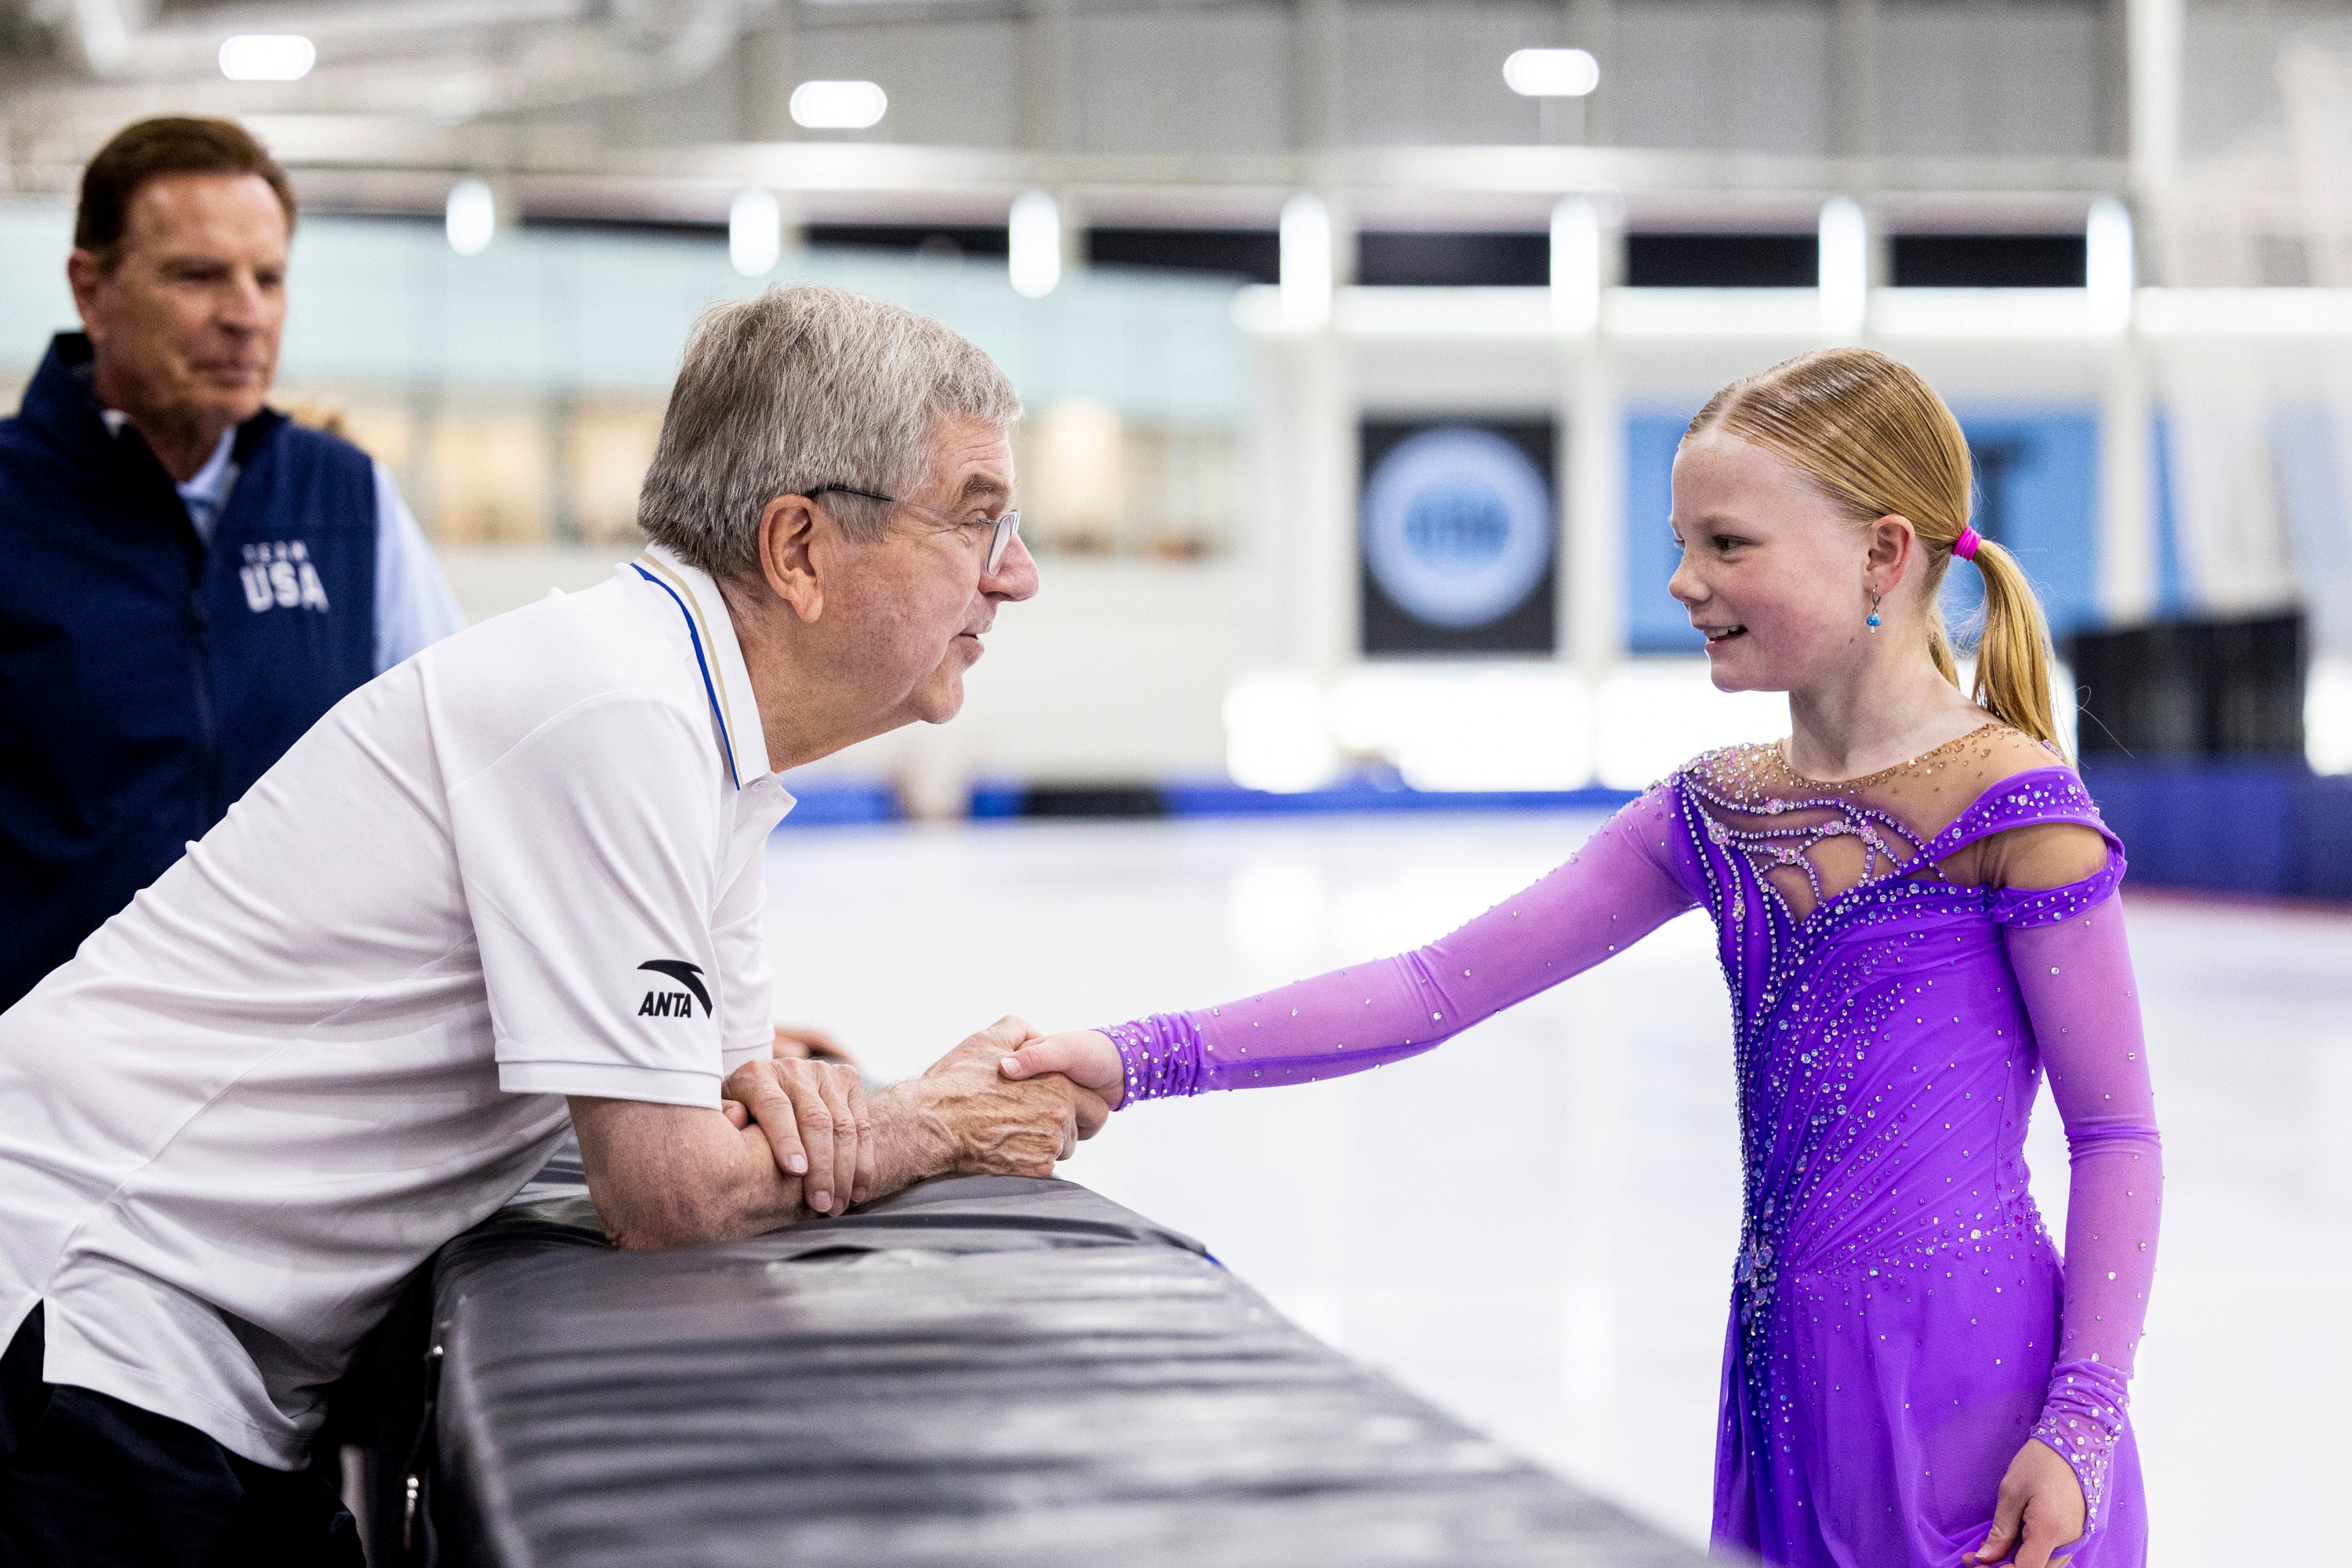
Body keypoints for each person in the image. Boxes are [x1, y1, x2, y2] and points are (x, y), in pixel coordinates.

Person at [997, 349, 2160, 1568]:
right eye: (1682, 544)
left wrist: (2082, 1421)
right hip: (1788, 1386)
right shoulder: (1717, 811)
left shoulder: (2014, 806)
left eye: (1727, 545)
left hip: (1982, 1398)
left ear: (1882, 553)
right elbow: (1433, 986)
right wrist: (1135, 1056)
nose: (1684, 582)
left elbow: (2116, 1134)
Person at [0, 283, 1105, 1564]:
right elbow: (674, 1193)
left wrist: (818, 1106)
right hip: (80, 1322)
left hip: (170, 1355)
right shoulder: (619, 708)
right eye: (976, 518)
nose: (1016, 574)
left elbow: (731, 1103)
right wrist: (936, 1122)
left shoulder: (697, 728)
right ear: (799, 548)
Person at [0, 115, 464, 1013]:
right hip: (44, 1063)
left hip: (298, 1053)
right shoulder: (13, 504)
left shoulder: (348, 500)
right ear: (91, 291)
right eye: (198, 275)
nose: (245, 314)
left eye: (269, 278)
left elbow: (466, 776)